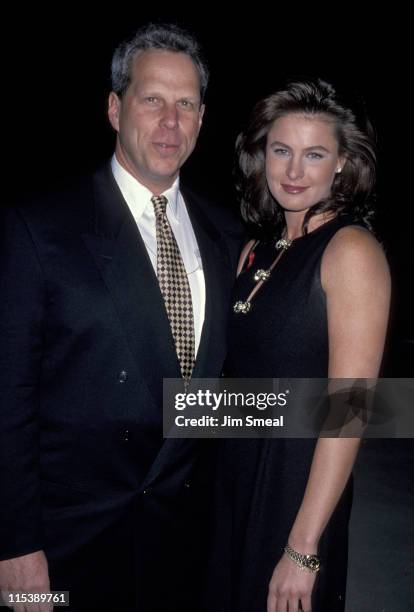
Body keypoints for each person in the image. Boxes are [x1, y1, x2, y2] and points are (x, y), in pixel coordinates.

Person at [0, 23, 241, 611]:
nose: (170, 121)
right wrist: (14, 545)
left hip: (185, 542)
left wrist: (362, 408)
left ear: (202, 120)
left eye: (186, 104)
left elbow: (216, 399)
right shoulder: (41, 229)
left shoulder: (228, 236)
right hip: (68, 546)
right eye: (152, 99)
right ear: (114, 108)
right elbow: (8, 396)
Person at [202, 79, 391, 612]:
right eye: (280, 151)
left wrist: (304, 547)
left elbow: (353, 408)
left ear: (341, 164)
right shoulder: (257, 248)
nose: (292, 171)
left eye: (314, 155)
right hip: (235, 472)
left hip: (296, 486)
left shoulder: (351, 250)